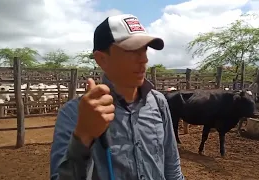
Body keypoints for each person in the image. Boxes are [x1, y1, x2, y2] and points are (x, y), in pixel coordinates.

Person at [50, 14, 184, 180]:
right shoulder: (73, 114)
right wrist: (84, 135)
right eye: (132, 50)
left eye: (145, 49)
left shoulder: (159, 102)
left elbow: (172, 169)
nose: (144, 59)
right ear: (102, 59)